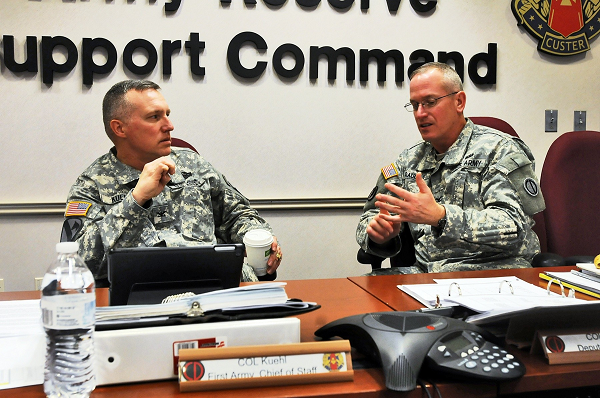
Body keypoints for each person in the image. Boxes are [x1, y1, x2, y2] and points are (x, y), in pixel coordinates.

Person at [61, 80, 282, 286]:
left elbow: (238, 215)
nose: (169, 125)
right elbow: (77, 263)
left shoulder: (192, 164)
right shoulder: (91, 184)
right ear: (120, 128)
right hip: (142, 300)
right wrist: (136, 200)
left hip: (218, 289)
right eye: (154, 117)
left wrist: (258, 237)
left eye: (167, 114)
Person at [356, 62, 545, 274]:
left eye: (429, 102)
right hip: (426, 276)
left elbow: (514, 225)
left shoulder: (501, 150)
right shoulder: (409, 160)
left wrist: (441, 216)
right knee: (359, 296)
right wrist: (379, 235)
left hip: (493, 273)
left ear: (459, 101)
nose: (420, 113)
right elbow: (370, 215)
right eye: (415, 104)